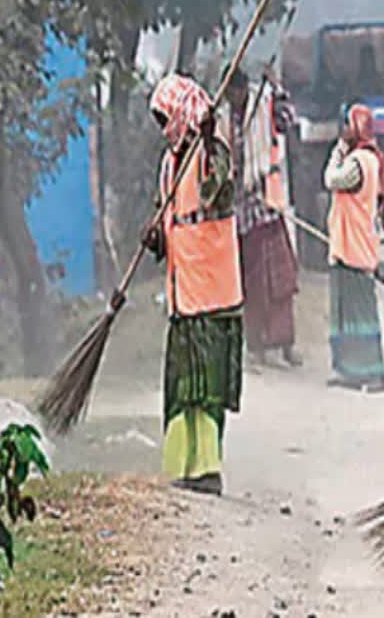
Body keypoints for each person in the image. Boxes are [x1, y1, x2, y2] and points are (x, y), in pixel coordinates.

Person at [144, 74, 245, 496]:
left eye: (165, 116)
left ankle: (207, 469)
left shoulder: (212, 152)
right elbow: (168, 217)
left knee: (205, 387)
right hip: (182, 292)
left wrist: (206, 139)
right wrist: (155, 238)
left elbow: (213, 192)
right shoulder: (169, 163)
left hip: (212, 291)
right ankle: (178, 467)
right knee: (181, 386)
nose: (163, 126)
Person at [223, 71, 303, 371]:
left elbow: (288, 120)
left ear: (244, 88)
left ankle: (286, 344)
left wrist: (278, 89)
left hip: (267, 205)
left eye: (238, 92)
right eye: (231, 94)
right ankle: (256, 347)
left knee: (281, 279)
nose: (236, 98)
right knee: (253, 284)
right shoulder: (222, 118)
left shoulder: (263, 104)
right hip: (242, 212)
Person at [324, 104, 384, 393]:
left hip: (355, 249)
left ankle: (372, 373)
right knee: (346, 314)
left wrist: (337, 151)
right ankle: (349, 371)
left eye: (348, 125)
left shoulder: (358, 162)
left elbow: (331, 179)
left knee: (361, 315)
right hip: (349, 245)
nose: (344, 130)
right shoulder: (370, 159)